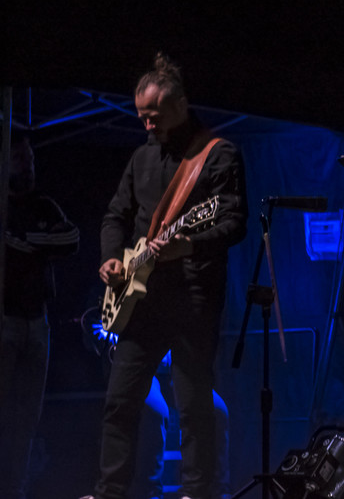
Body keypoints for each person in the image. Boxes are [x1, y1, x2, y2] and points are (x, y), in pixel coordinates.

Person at [89, 54, 246, 499]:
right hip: (141, 299)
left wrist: (189, 244)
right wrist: (111, 259)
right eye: (142, 116)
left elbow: (234, 222)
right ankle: (110, 491)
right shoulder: (141, 158)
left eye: (154, 116)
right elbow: (115, 216)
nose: (147, 125)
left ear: (180, 105)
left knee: (194, 405)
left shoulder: (218, 155)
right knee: (120, 401)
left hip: (194, 296)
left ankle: (198, 492)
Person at [3, 137, 80, 499]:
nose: (28, 165)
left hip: (38, 320)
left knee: (27, 416)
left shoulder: (43, 205)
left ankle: (14, 489)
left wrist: (24, 240)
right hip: (5, 318)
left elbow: (71, 238)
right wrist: (38, 242)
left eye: (30, 158)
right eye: (20, 158)